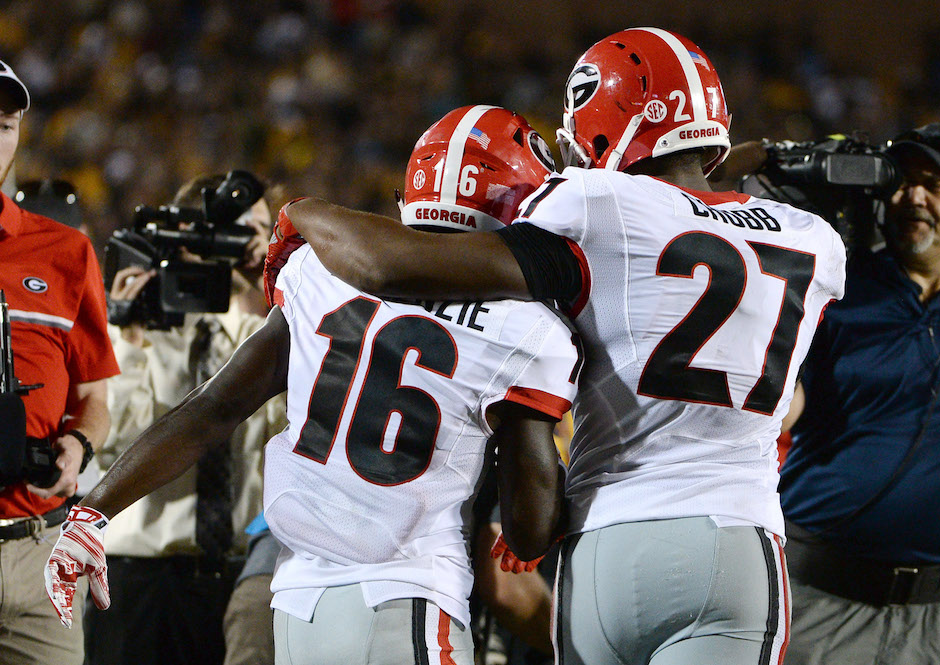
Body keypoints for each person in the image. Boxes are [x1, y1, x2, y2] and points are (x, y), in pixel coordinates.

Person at [282, 27, 847, 665]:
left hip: (601, 542)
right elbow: (708, 214)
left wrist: (306, 214)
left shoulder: (592, 204)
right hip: (733, 533)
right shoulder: (815, 240)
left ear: (609, 114)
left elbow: (402, 265)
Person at [45, 105, 580, 665]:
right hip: (411, 596)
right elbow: (527, 533)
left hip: (298, 602)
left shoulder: (321, 272)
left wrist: (94, 510)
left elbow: (211, 411)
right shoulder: (530, 330)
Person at [776, 123, 940, 665]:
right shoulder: (832, 293)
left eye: (934, 183)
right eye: (901, 182)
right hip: (827, 601)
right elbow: (782, 410)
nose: (912, 197)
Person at [82, 172, 288, 665]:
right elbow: (115, 445)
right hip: (141, 576)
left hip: (232, 571)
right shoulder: (141, 323)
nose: (255, 242)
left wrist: (280, 287)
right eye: (244, 227)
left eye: (266, 229)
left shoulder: (264, 335)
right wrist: (127, 334)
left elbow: (287, 436)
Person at [0, 58, 119, 665]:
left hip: (39, 545)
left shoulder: (65, 251)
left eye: (5, 125)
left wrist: (79, 446)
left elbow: (96, 395)